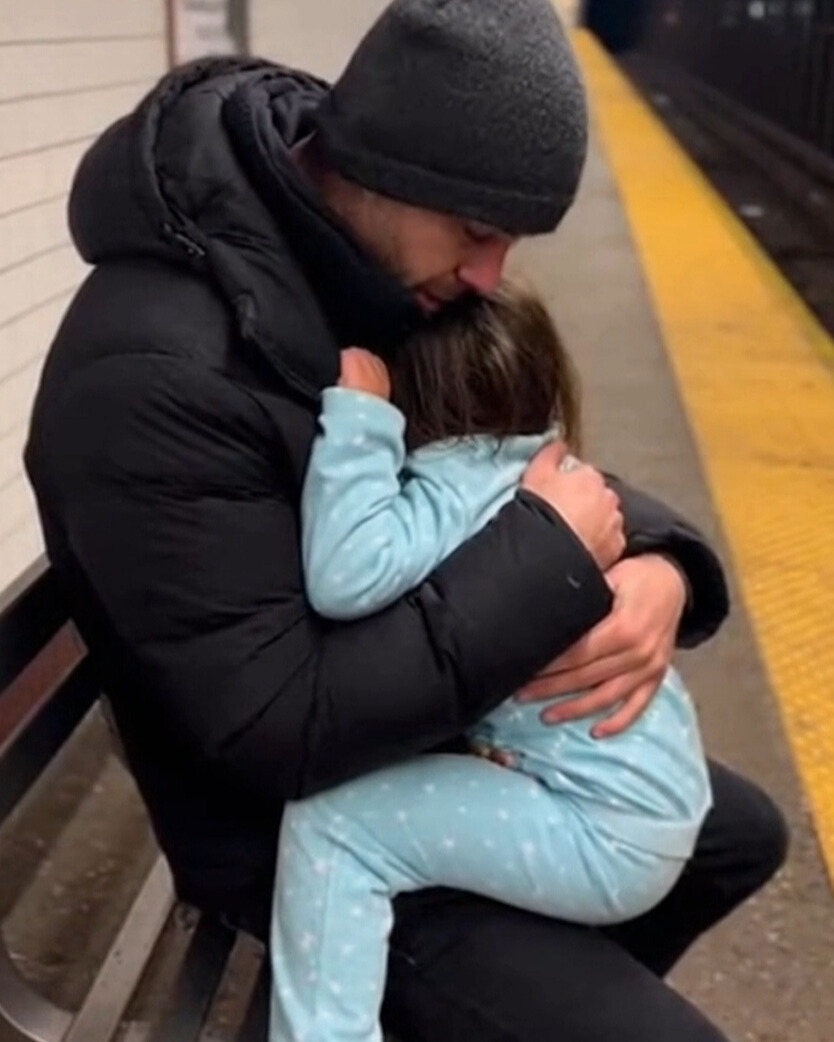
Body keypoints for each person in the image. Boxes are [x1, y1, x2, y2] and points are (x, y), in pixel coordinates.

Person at [24, 1, 787, 1039]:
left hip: (418, 739)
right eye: (478, 232)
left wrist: (658, 565)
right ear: (383, 165)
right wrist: (552, 560)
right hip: (295, 816)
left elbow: (490, 461)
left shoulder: (348, 256)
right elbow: (278, 726)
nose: (490, 276)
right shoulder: (152, 379)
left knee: (736, 833)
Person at [271, 283, 714, 1042]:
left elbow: (345, 575)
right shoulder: (552, 471)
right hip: (655, 797)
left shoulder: (451, 487)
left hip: (603, 832)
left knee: (333, 827)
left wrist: (359, 419)